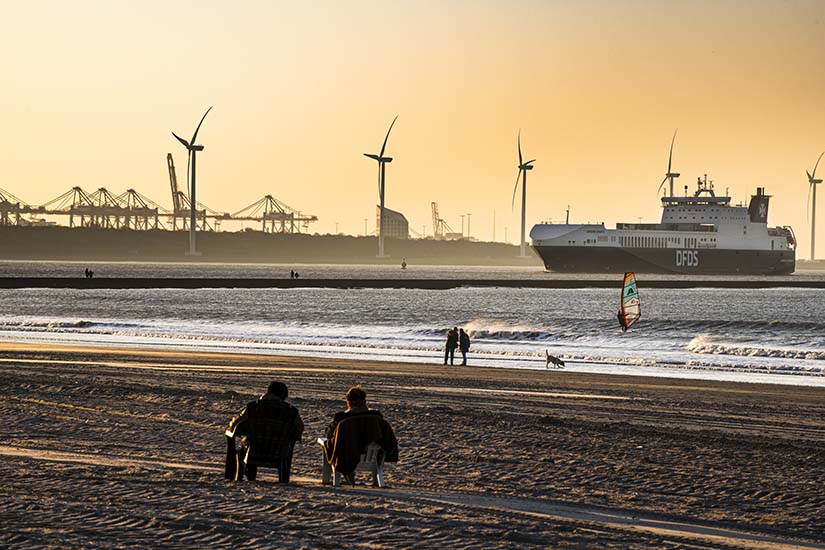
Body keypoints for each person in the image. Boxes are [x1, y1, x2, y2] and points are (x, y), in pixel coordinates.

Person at [225, 381, 304, 478]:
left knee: (246, 444)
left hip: (253, 452)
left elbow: (236, 425)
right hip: (279, 453)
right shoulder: (291, 412)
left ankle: (236, 475)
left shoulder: (254, 407)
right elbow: (299, 429)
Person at [321, 385, 398, 484]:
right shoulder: (376, 416)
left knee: (329, 443)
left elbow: (329, 433)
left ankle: (338, 475)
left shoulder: (341, 417)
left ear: (349, 402)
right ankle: (377, 480)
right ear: (364, 401)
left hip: (346, 457)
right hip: (371, 457)